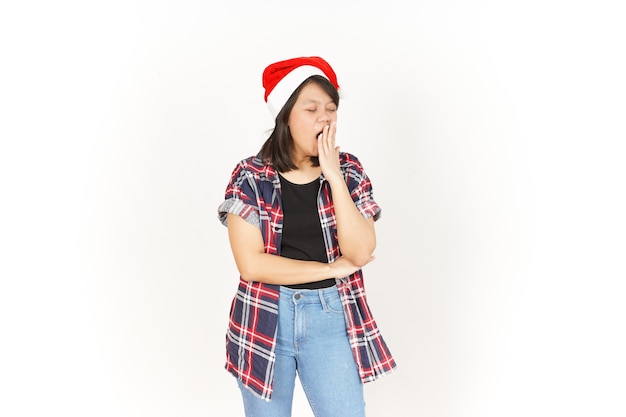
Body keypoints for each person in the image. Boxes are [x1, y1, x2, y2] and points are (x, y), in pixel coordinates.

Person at [218, 56, 396, 417]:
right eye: (312, 108)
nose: (325, 118)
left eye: (331, 109)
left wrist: (333, 176)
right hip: (266, 316)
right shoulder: (250, 177)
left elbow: (360, 252)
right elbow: (252, 265)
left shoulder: (349, 170)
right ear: (286, 115)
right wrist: (330, 269)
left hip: (331, 317)